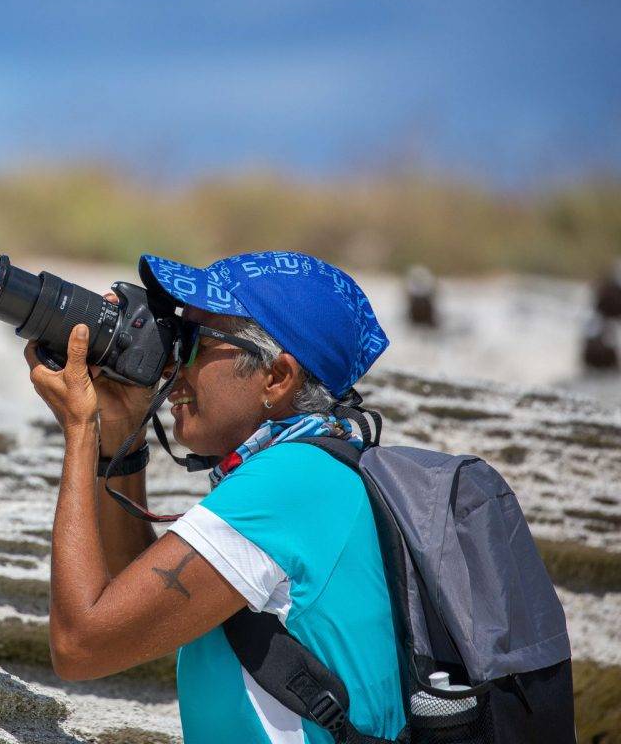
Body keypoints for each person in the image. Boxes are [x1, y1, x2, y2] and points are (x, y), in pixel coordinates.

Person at [24, 251, 402, 744]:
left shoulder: (288, 484)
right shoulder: (319, 472)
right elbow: (133, 608)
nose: (172, 367)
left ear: (277, 377)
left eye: (195, 345)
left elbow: (82, 646)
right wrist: (118, 434)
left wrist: (80, 429)